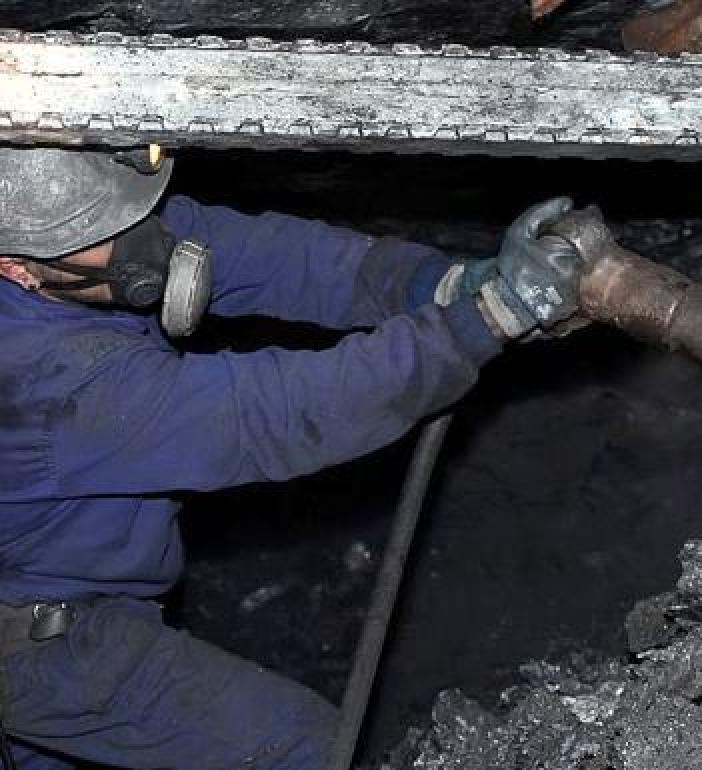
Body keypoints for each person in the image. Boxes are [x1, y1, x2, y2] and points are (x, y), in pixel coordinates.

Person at [0, 145, 586, 770]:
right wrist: (486, 319)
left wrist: (443, 284)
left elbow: (283, 260)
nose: (143, 236)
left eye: (134, 209)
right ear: (17, 269)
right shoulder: (47, 383)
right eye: (103, 234)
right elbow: (278, 413)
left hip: (68, 602)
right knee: (309, 752)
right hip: (43, 646)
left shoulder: (90, 243)